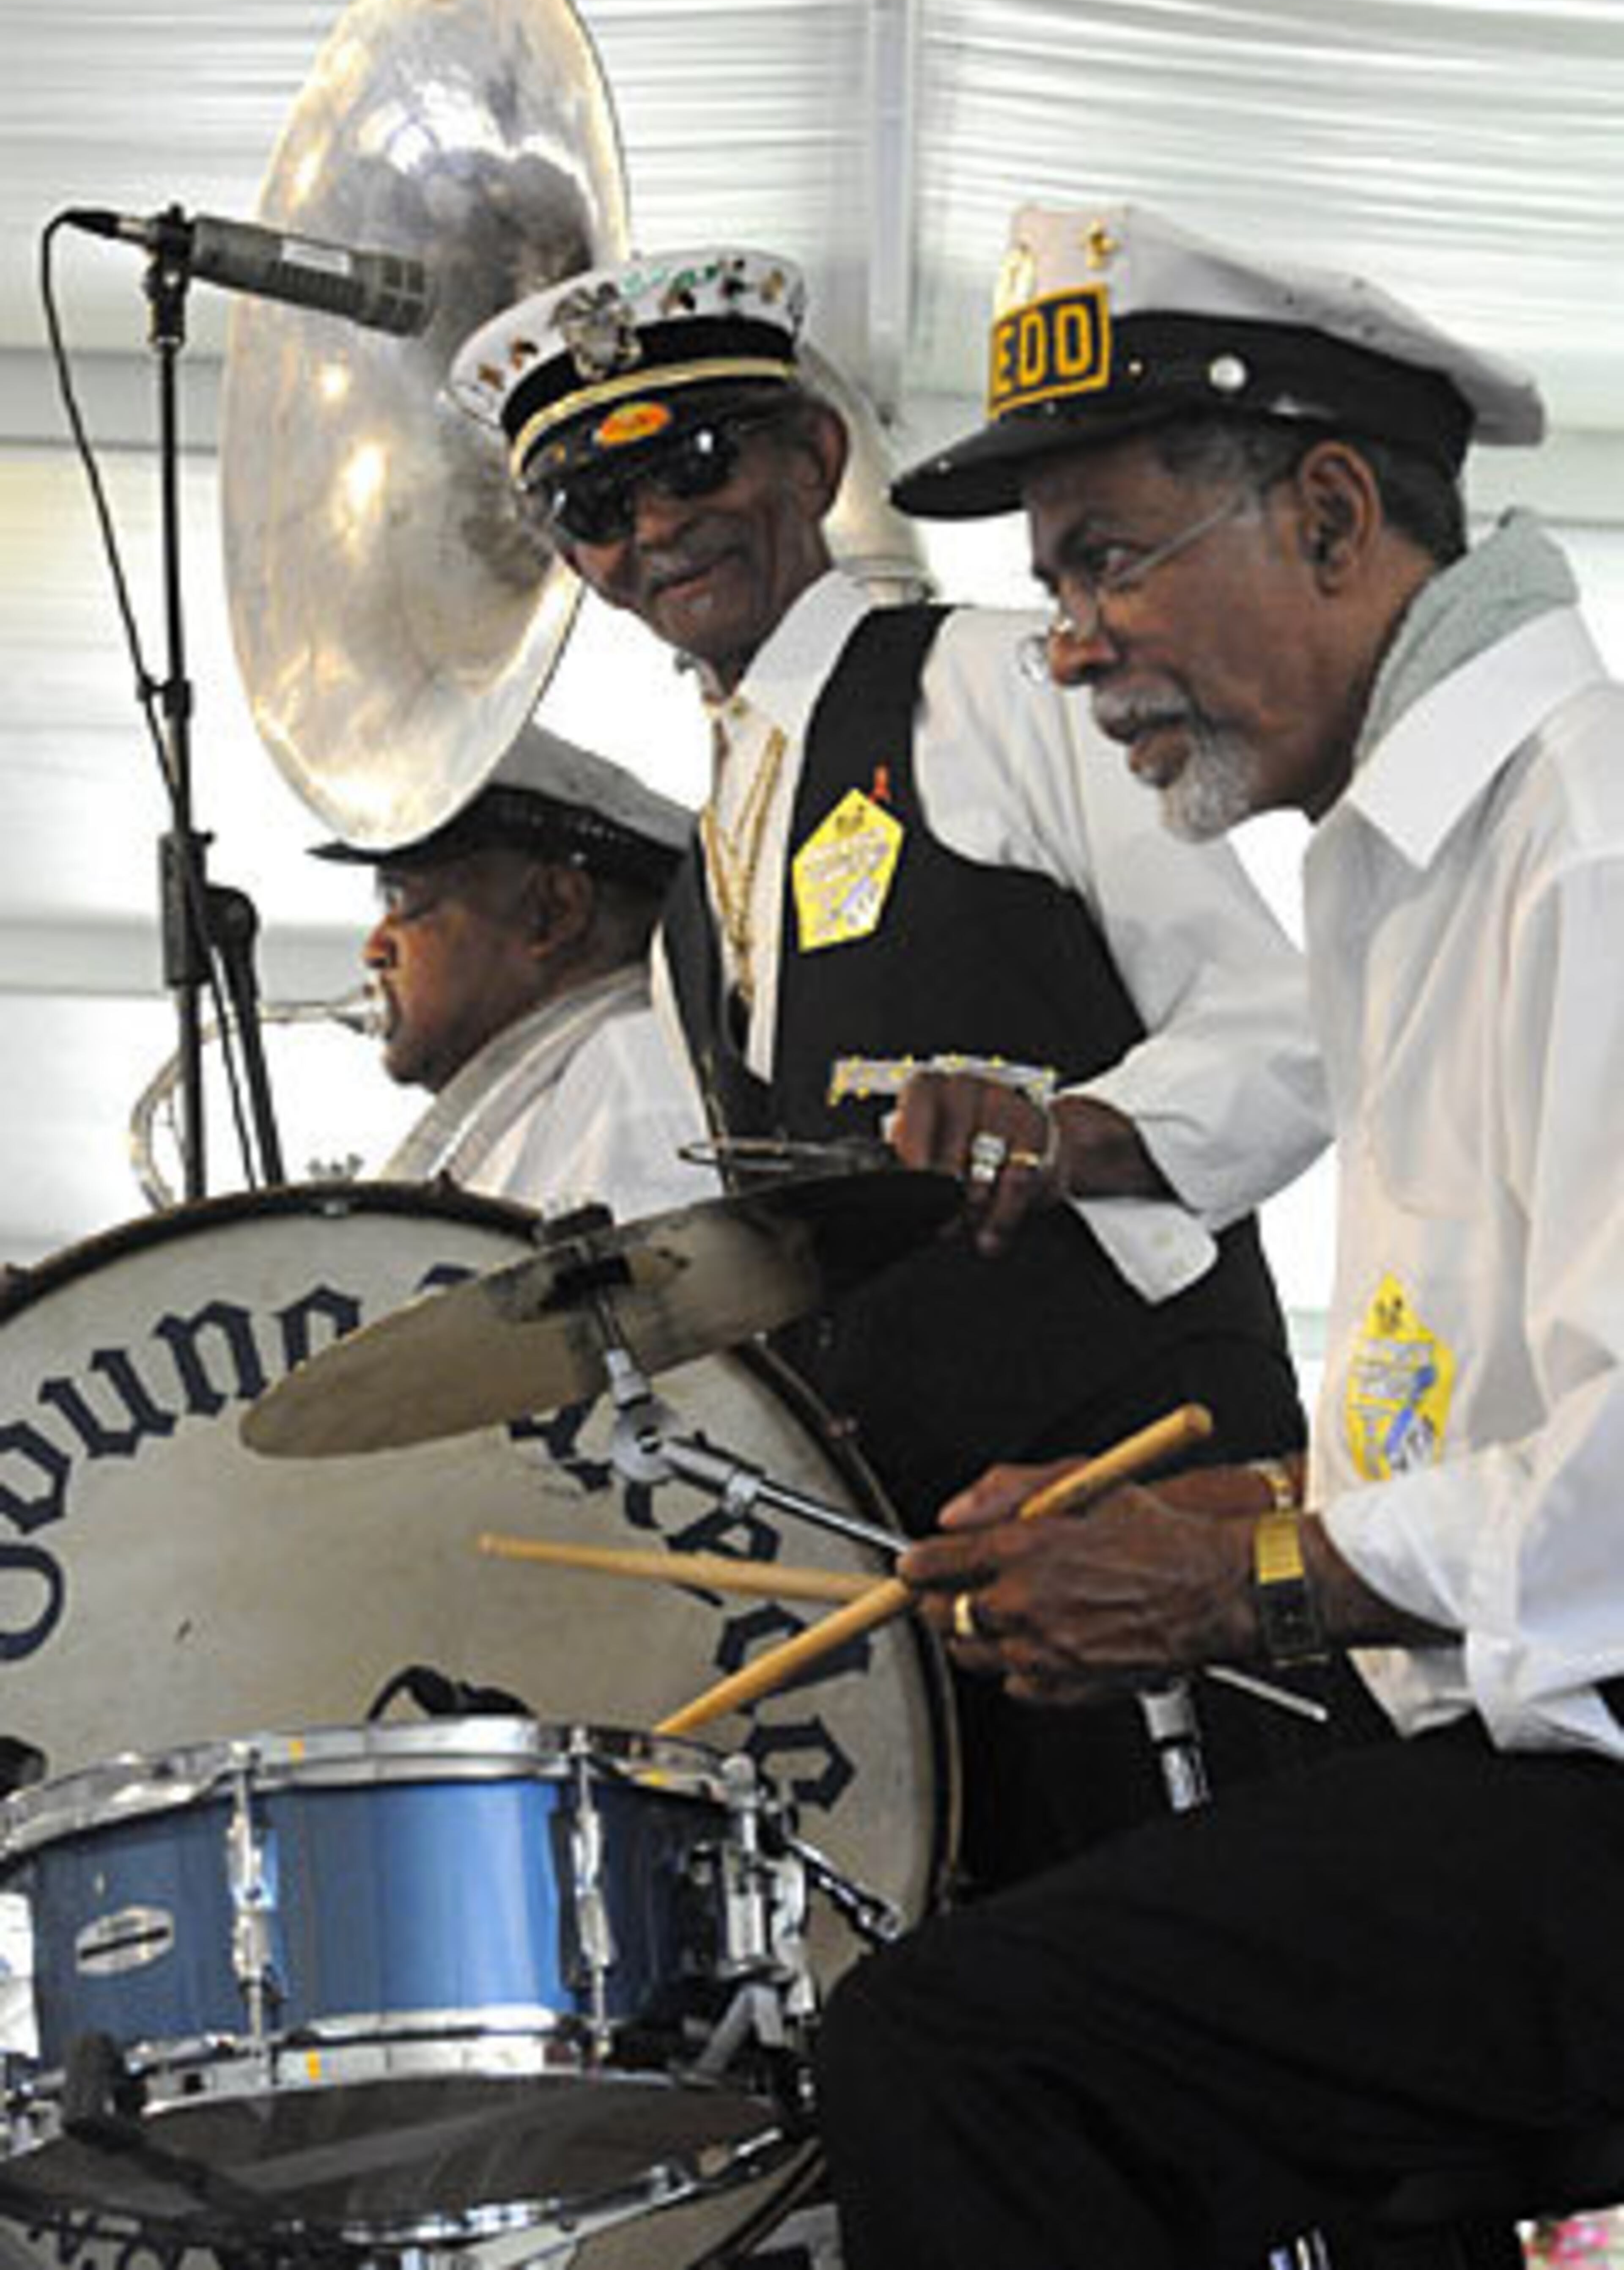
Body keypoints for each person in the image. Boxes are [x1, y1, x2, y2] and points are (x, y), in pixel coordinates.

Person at [803, 198, 1624, 2270]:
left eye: (1102, 559)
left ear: (1335, 513)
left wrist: (1244, 1577)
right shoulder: (1414, 855)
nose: (1069, 643)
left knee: (961, 2049)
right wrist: (1182, 1520)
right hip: (1548, 1773)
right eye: (1049, 585)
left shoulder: (1589, 836)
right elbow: (1502, 1444)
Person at [450, 250, 1334, 1892]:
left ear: (816, 460)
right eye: (593, 504)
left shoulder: (1002, 682)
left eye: (694, 463)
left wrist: (1063, 1135)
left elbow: (1291, 1032)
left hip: (1151, 1529)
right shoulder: (690, 910)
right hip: (930, 1597)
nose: (653, 530)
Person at [316, 724, 712, 1223]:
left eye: (402, 900)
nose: (375, 948)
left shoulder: (639, 1075)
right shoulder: (571, 1089)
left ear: (554, 911)